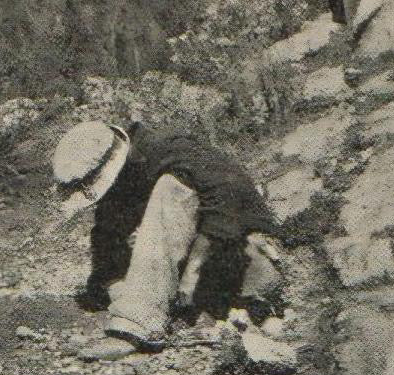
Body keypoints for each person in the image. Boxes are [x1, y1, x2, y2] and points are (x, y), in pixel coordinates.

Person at [51, 119, 284, 361]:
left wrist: (193, 271)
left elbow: (232, 202)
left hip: (246, 258)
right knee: (128, 229)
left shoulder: (173, 150)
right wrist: (115, 284)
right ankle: (181, 311)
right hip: (205, 284)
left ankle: (136, 326)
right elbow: (106, 237)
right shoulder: (125, 176)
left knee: (171, 188)